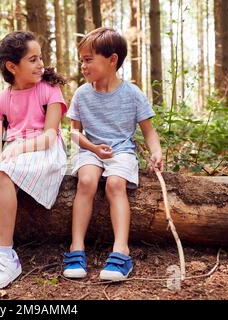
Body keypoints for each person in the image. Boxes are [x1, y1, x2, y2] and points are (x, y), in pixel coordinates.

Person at [63, 27, 163, 281]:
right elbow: (74, 133)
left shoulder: (132, 93)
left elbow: (149, 132)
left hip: (121, 151)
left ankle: (121, 250)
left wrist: (157, 153)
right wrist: (93, 148)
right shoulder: (82, 94)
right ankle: (77, 247)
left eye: (88, 59)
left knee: (115, 184)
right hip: (90, 150)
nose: (83, 66)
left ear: (112, 59)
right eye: (82, 60)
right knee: (86, 181)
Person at [0, 31, 68, 291]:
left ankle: (5, 255)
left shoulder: (49, 89)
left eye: (41, 58)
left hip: (44, 150)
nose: (42, 65)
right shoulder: (1, 99)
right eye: (33, 60)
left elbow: (49, 136)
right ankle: (0, 239)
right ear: (12, 67)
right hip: (15, 152)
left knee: (2, 176)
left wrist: (17, 150)